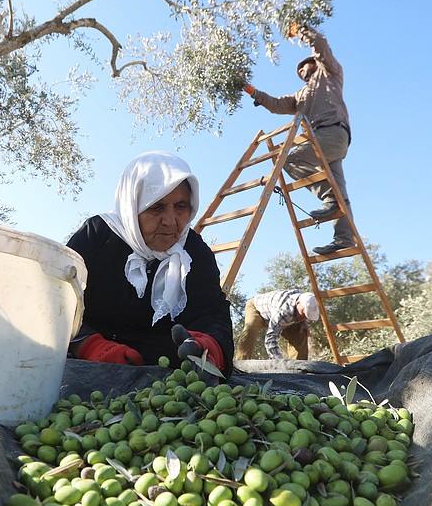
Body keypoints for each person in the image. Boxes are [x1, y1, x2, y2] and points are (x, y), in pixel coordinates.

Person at [66, 151, 233, 373]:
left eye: (181, 206)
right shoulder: (97, 237)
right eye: (156, 207)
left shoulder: (195, 253)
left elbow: (212, 314)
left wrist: (209, 347)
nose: (170, 221)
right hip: (90, 369)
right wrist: (89, 345)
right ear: (133, 205)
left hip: (169, 378)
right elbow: (59, 302)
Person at [243, 22, 354, 256]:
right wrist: (252, 91)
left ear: (314, 63)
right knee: (339, 191)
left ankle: (329, 199)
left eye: (304, 66)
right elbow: (276, 104)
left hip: (332, 132)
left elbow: (321, 45)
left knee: (289, 160)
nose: (301, 70)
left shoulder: (330, 73)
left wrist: (301, 29)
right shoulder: (300, 96)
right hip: (324, 140)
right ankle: (345, 238)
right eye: (299, 71)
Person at [234, 289, 320, 361]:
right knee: (250, 330)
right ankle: (240, 364)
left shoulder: (304, 300)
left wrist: (304, 323)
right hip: (257, 309)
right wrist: (279, 361)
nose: (303, 317)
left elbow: (304, 314)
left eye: (306, 316)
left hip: (278, 314)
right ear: (298, 303)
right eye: (303, 314)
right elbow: (270, 339)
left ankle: (298, 370)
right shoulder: (283, 311)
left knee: (300, 332)